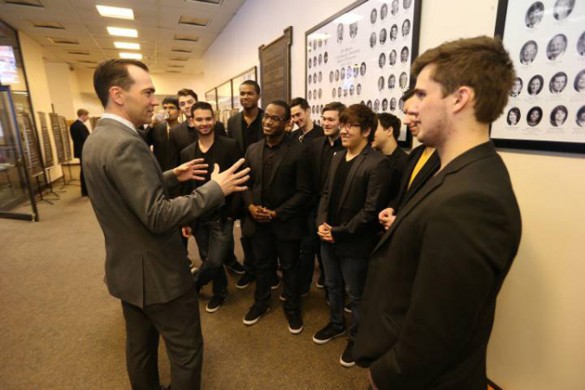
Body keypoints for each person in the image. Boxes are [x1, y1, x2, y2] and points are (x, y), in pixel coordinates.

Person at [354, 36, 521, 390]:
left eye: (421, 95)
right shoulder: (456, 172)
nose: (410, 108)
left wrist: (383, 376)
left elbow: (439, 329)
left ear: (460, 99)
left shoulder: (473, 199)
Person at [83, 58, 249, 390]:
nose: (155, 101)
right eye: (147, 92)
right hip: (159, 276)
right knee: (186, 352)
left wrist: (172, 176)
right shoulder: (127, 143)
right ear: (118, 93)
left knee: (140, 349)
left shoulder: (98, 139)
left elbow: (129, 192)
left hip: (128, 272)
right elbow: (157, 215)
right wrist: (215, 189)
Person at [314, 104, 392, 368]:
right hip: (328, 237)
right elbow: (325, 194)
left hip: (355, 242)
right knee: (332, 286)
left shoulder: (378, 163)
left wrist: (339, 232)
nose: (343, 129)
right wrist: (322, 224)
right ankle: (336, 324)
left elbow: (370, 211)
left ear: (367, 130)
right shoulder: (337, 156)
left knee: (356, 294)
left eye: (351, 125)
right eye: (343, 124)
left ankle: (357, 337)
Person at [241, 100, 311, 333]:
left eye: (275, 118)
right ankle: (261, 303)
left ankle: (292, 308)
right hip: (258, 221)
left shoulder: (300, 151)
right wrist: (251, 207)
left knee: (290, 268)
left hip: (286, 223)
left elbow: (304, 192)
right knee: (262, 265)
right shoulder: (253, 149)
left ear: (288, 123)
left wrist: (278, 213)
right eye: (266, 116)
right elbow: (246, 185)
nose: (268, 122)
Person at [180, 102, 244, 313]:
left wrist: (231, 214)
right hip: (198, 217)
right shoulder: (187, 153)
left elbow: (240, 181)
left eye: (208, 118)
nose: (204, 123)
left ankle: (193, 284)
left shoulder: (230, 145)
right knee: (208, 257)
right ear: (192, 122)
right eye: (199, 119)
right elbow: (186, 190)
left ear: (214, 119)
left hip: (222, 216)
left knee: (215, 261)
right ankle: (220, 292)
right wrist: (187, 220)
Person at [378, 89, 440, 232]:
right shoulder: (416, 153)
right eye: (406, 113)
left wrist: (401, 222)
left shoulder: (447, 157)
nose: (406, 120)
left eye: (412, 113)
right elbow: (405, 193)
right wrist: (392, 208)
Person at [303, 102, 347, 295]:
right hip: (315, 206)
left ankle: (335, 292)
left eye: (331, 119)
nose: (326, 123)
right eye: (324, 118)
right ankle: (305, 288)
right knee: (309, 247)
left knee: (335, 252)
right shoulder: (314, 145)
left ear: (341, 122)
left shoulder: (347, 148)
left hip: (338, 209)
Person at [227, 80, 266, 288]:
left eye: (249, 93)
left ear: (258, 95)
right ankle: (250, 269)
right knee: (245, 231)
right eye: (242, 94)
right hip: (240, 183)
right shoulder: (232, 122)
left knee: (265, 231)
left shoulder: (266, 119)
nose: (245, 97)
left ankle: (267, 270)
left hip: (263, 181)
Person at [372, 113, 408, 203]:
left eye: (375, 129)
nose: (370, 133)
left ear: (389, 131)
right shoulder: (372, 159)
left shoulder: (405, 162)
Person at [143, 96, 180, 172]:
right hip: (159, 173)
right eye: (165, 108)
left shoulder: (184, 130)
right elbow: (142, 142)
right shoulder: (157, 128)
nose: (167, 111)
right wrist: (151, 125)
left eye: (171, 108)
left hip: (180, 173)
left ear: (179, 112)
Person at [69, 108, 90, 196]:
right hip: (84, 150)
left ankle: (84, 190)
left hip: (79, 150)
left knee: (83, 169)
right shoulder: (81, 126)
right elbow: (86, 139)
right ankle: (85, 191)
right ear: (83, 115)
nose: (88, 118)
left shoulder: (73, 125)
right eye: (87, 116)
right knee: (85, 170)